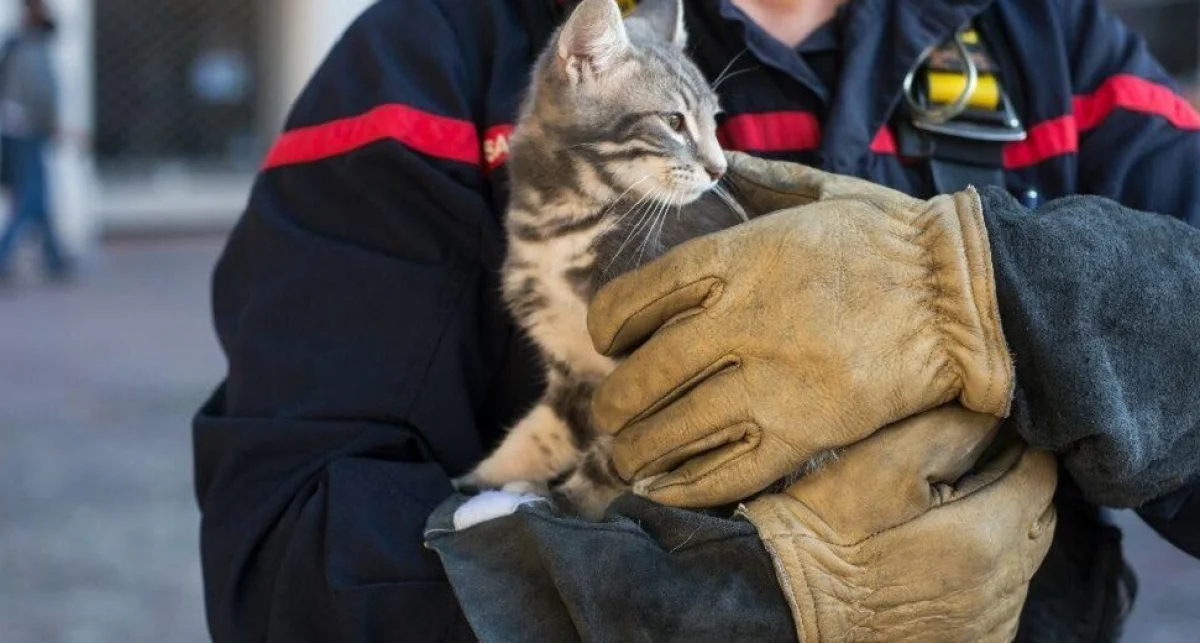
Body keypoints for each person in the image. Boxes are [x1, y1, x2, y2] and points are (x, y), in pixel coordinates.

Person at [193, 1, 1200, 641]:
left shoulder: (1063, 53)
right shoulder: (428, 63)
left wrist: (1012, 294)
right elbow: (284, 555)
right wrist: (698, 605)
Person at [0, 0, 66, 283]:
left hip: (16, 132)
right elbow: (40, 94)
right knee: (31, 197)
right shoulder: (31, 48)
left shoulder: (16, 47)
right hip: (28, 132)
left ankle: (55, 259)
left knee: (39, 198)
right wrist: (51, 124)